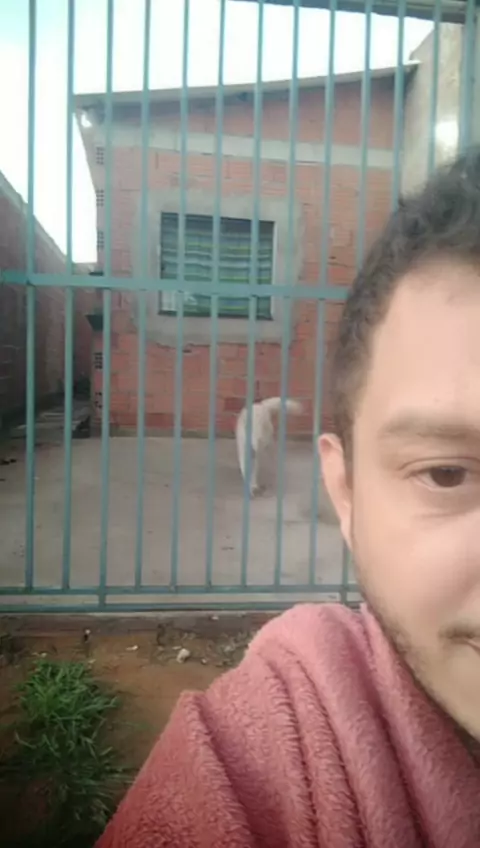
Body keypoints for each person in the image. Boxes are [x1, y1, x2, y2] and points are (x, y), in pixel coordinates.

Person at [97, 149, 480, 847]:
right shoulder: (283, 749)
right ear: (345, 491)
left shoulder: (275, 411)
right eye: (447, 473)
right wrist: (257, 477)